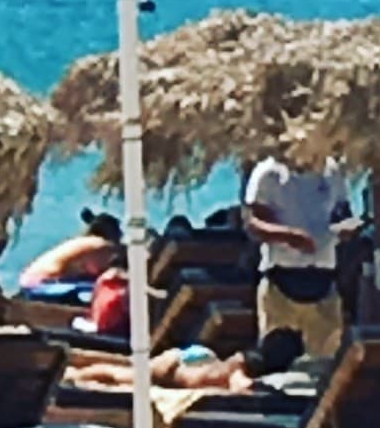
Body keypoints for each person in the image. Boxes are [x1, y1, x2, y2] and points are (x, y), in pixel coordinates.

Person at [243, 156, 358, 360]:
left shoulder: (332, 171)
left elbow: (342, 211)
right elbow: (254, 224)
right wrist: (289, 236)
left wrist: (346, 228)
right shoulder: (270, 173)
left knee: (324, 363)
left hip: (324, 281)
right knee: (275, 361)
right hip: (281, 282)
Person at [66, 326, 305, 393]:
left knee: (129, 367)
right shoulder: (246, 371)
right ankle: (73, 375)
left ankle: (72, 366)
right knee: (124, 375)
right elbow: (240, 386)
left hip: (195, 360)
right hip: (180, 367)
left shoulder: (247, 358)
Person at [19, 211, 122, 289]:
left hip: (29, 280)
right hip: (44, 283)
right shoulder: (100, 244)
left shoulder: (81, 242)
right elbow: (97, 271)